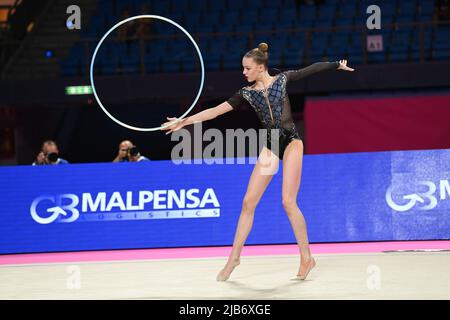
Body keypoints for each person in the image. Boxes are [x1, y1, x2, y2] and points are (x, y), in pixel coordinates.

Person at [161, 43, 354, 281]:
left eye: (247, 68)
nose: (243, 72)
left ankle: (307, 258)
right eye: (243, 68)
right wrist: (184, 121)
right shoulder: (246, 93)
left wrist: (337, 65)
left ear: (260, 68)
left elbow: (312, 68)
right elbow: (214, 111)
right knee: (247, 202)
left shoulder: (282, 79)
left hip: (292, 141)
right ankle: (234, 258)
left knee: (288, 202)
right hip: (272, 144)